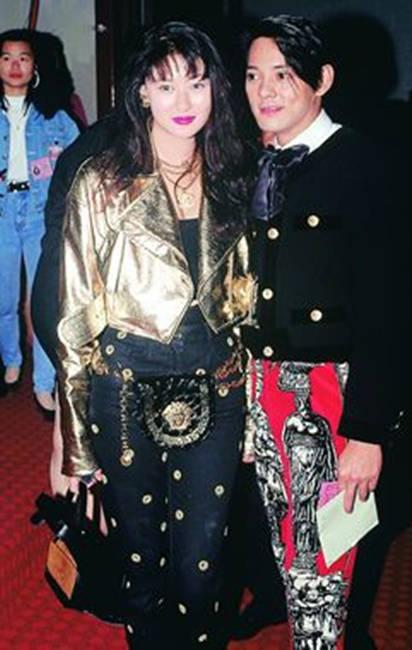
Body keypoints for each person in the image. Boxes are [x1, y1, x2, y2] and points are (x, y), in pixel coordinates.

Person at [55, 21, 254, 650]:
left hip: (218, 389)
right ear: (141, 91)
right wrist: (74, 440)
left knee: (202, 567)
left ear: (216, 88)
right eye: (165, 85)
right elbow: (75, 317)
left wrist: (254, 418)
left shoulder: (235, 177)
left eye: (197, 82)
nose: (184, 100)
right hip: (123, 392)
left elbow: (250, 310)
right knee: (141, 564)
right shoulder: (102, 182)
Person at [241, 15, 407, 650]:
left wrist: (367, 431)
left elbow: (390, 310)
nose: (265, 90)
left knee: (326, 561)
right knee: (286, 546)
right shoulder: (255, 161)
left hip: (331, 397)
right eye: (253, 75)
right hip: (262, 389)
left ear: (323, 79)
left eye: (283, 75)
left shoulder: (364, 163)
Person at [0, 28, 79, 410]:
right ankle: (11, 358)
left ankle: (44, 381)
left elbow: (79, 165)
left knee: (44, 301)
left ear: (35, 67)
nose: (15, 66)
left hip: (39, 217)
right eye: (6, 58)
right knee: (4, 298)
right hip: (2, 215)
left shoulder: (57, 118)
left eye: (23, 58)